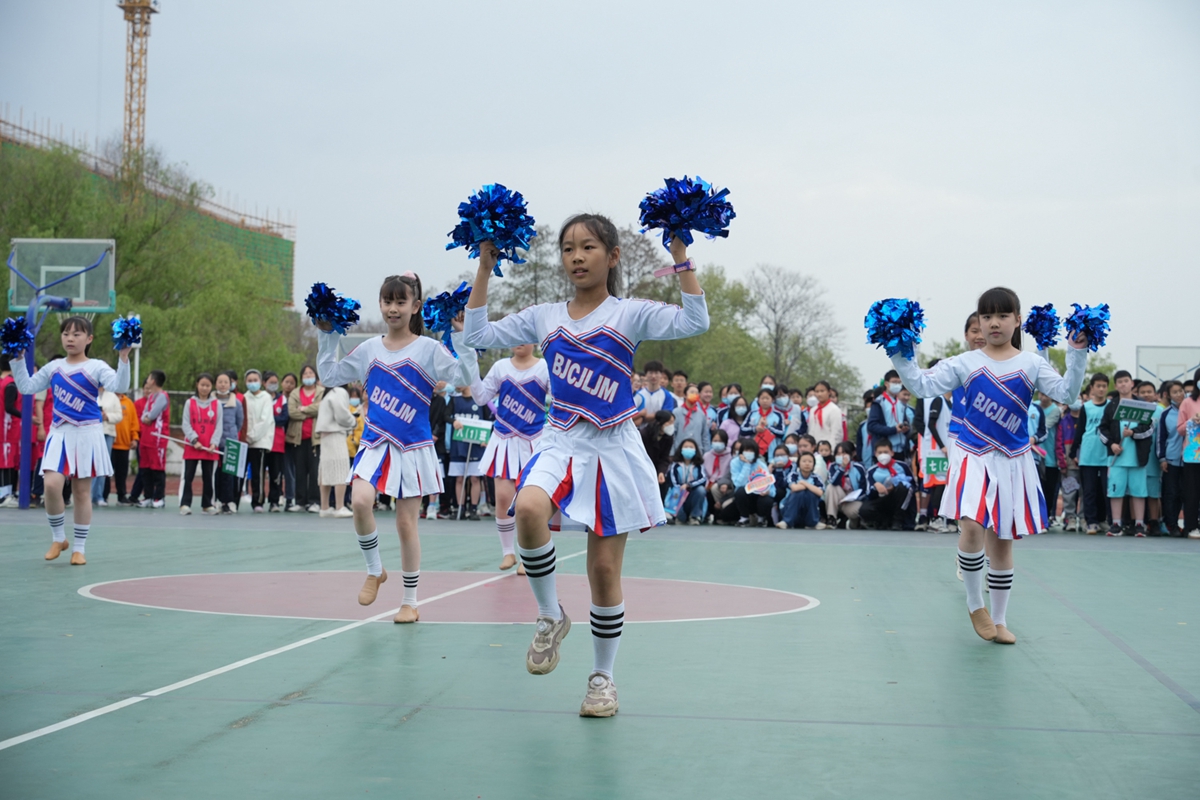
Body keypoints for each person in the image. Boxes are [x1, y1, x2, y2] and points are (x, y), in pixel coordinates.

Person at [464, 215, 709, 718]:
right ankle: (550, 615)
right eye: (568, 248)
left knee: (602, 570)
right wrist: (485, 269)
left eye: (588, 247)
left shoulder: (629, 313)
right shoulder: (544, 315)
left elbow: (695, 321)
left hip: (614, 448)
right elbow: (477, 334)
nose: (576, 257)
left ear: (612, 256)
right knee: (528, 509)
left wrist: (681, 255)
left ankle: (603, 678)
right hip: (561, 440)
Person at [890, 287, 1089, 645]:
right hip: (972, 454)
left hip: (1013, 460)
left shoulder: (1032, 364)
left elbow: (1067, 394)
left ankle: (999, 620)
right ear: (978, 322)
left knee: (1002, 542)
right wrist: (901, 350)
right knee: (971, 527)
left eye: (1002, 315)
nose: (994, 323)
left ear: (1017, 320)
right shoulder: (964, 363)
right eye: (986, 316)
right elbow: (921, 385)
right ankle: (974, 603)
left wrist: (1077, 352)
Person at [317, 272, 478, 624]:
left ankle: (410, 600)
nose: (393, 308)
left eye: (401, 301)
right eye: (388, 301)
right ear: (380, 304)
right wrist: (327, 334)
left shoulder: (429, 349)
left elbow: (465, 377)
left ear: (415, 306)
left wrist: (462, 335)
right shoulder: (370, 349)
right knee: (359, 500)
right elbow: (330, 376)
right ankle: (375, 570)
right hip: (375, 442)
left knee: (407, 524)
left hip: (413, 447)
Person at [10, 317, 131, 563]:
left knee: (81, 492)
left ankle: (79, 548)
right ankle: (58, 538)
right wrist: (18, 357)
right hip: (60, 433)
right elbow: (26, 387)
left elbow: (120, 385)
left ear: (89, 339)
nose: (70, 338)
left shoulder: (97, 366)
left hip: (88, 434)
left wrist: (124, 357)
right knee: (52, 485)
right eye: (66, 333)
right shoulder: (54, 367)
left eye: (77, 334)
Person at [469, 343, 548, 571]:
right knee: (503, 498)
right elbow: (482, 397)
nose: (518, 342)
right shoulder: (500, 366)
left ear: (533, 340)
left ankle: (528, 556)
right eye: (513, 337)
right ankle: (508, 552)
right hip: (504, 440)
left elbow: (562, 397)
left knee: (529, 503)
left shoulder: (544, 367)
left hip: (534, 440)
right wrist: (471, 366)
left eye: (524, 337)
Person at [1069, 374, 1111, 534]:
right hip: (1088, 455)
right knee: (1089, 491)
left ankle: (1103, 519)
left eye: (1104, 386)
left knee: (1105, 491)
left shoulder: (1112, 406)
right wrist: (1074, 452)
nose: (1101, 389)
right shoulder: (1086, 407)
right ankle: (1091, 521)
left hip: (1106, 455)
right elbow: (1080, 430)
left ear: (1107, 387)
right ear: (1092, 388)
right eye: (1098, 386)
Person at [180, 372, 221, 515]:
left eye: (208, 385)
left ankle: (207, 504)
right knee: (188, 476)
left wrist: (214, 444)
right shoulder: (189, 403)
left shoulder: (216, 404)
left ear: (212, 387)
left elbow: (218, 426)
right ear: (197, 385)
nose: (204, 388)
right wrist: (194, 440)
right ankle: (185, 504)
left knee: (208, 477)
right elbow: (185, 424)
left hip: (209, 448)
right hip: (193, 447)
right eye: (202, 385)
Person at [448, 382, 490, 519]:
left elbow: (489, 419)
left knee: (475, 478)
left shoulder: (481, 401)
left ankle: (473, 508)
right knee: (459, 478)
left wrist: (487, 438)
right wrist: (453, 421)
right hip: (458, 444)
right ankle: (460, 508)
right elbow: (445, 415)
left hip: (476, 445)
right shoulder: (455, 400)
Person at [315, 382, 355, 518]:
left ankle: (324, 507)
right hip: (335, 433)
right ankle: (340, 506)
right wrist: (353, 421)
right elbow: (342, 414)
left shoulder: (329, 392)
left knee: (325, 470)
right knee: (341, 469)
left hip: (324, 435)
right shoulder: (339, 391)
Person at [288, 365, 323, 512]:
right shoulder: (295, 393)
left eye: (311, 373)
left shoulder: (322, 392)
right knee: (300, 471)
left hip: (316, 438)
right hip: (298, 438)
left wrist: (303, 408)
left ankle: (314, 501)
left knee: (315, 471)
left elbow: (322, 408)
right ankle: (300, 502)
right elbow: (292, 412)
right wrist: (311, 411)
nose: (308, 376)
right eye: (305, 374)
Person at [859, 440, 916, 530]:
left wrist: (895, 487)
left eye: (886, 452)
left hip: (898, 499)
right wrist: (876, 487)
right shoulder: (871, 471)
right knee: (864, 510)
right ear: (875, 454)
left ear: (892, 453)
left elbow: (913, 486)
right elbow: (868, 493)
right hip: (881, 499)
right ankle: (883, 521)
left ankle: (898, 521)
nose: (883, 455)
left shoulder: (902, 466)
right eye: (880, 452)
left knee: (904, 487)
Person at [132, 370, 169, 508]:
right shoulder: (151, 397)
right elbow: (144, 416)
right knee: (145, 468)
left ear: (153, 380)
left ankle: (159, 497)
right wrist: (146, 417)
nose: (147, 380)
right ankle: (147, 496)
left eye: (148, 378)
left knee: (157, 468)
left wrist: (147, 417)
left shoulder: (162, 397)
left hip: (157, 438)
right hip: (146, 438)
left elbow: (151, 415)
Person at [241, 369, 275, 513]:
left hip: (260, 441)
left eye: (255, 380)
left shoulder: (266, 398)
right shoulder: (244, 398)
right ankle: (234, 500)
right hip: (244, 442)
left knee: (258, 473)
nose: (252, 383)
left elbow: (265, 420)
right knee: (240, 473)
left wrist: (251, 436)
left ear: (261, 382)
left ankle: (258, 501)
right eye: (249, 380)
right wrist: (245, 437)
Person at [213, 372, 244, 514]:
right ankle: (217, 500)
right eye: (220, 382)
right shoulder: (211, 402)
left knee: (230, 474)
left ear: (230, 384)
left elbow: (239, 422)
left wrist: (231, 434)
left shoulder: (236, 403)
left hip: (231, 444)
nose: (223, 384)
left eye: (226, 382)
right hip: (213, 444)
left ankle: (229, 502)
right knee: (216, 473)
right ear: (216, 384)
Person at [1158, 380, 1185, 536]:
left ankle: (1190, 525)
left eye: (1181, 390)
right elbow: (1161, 438)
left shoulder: (1192, 410)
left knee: (1186, 494)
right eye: (1175, 392)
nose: (1179, 394)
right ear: (1168, 395)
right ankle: (1172, 524)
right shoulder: (1166, 414)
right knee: (1171, 493)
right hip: (1172, 460)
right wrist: (1162, 458)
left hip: (1191, 460)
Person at [1176, 368, 1200, 539]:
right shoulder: (1188, 402)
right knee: (1192, 493)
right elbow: (1180, 430)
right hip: (1193, 455)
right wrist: (1192, 421)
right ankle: (1191, 526)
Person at [90, 385, 122, 507]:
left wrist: (106, 416)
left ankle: (99, 496)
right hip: (92, 432)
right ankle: (89, 495)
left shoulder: (113, 396)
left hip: (107, 433)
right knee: (92, 463)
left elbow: (119, 415)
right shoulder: (89, 392)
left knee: (102, 464)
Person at [778, 451, 824, 529]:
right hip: (789, 510)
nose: (807, 464)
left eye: (810, 461)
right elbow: (794, 488)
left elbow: (820, 492)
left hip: (808, 513)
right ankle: (787, 521)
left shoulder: (816, 478)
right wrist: (811, 487)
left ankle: (813, 523)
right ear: (799, 464)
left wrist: (804, 483)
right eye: (804, 461)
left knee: (811, 494)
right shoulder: (793, 475)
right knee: (799, 493)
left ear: (813, 465)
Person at [826, 441, 867, 529]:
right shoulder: (833, 466)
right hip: (839, 498)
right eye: (838, 453)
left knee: (858, 510)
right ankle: (831, 518)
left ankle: (852, 522)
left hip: (853, 500)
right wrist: (842, 468)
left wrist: (853, 498)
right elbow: (833, 481)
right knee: (831, 487)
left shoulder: (859, 468)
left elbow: (864, 489)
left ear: (852, 454)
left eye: (844, 453)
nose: (841, 456)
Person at [666, 438, 707, 524]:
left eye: (691, 447)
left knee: (701, 490)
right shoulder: (675, 465)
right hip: (678, 494)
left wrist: (689, 485)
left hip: (693, 494)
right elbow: (673, 481)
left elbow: (703, 479)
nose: (688, 449)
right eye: (686, 447)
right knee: (681, 518)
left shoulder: (699, 465)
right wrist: (680, 487)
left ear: (696, 449)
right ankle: (677, 516)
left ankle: (695, 517)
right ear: (681, 449)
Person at [274, 372, 298, 511]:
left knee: (289, 471)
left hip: (290, 439)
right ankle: (276, 498)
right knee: (277, 471)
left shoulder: (296, 399)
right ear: (282, 383)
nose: (289, 385)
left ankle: (290, 498)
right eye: (286, 382)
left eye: (292, 383)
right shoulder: (275, 398)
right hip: (275, 440)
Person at [641, 410, 676, 499]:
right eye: (669, 422)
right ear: (661, 422)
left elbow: (664, 457)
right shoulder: (644, 434)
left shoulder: (668, 437)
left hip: (656, 469)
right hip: (643, 469)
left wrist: (661, 472)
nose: (671, 426)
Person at [741, 386, 785, 457]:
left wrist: (768, 427)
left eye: (767, 398)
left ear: (772, 400)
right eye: (762, 398)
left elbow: (781, 432)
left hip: (771, 449)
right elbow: (742, 430)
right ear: (758, 400)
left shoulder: (778, 415)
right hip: (754, 448)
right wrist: (755, 429)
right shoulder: (752, 413)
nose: (765, 401)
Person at [0, 356, 18, 507]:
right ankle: (4, 495)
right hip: (6, 428)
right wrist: (27, 417)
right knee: (5, 462)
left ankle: (6, 493)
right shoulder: (10, 384)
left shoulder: (2, 382)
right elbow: (9, 407)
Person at [632, 360, 674, 425]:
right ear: (646, 375)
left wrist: (645, 416)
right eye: (650, 373)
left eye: (656, 373)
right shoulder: (638, 395)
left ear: (661, 375)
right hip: (638, 431)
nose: (653, 376)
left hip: (657, 430)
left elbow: (666, 415)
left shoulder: (667, 395)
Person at [807, 381, 844, 449]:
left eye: (822, 391)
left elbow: (836, 433)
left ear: (829, 392)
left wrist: (832, 449)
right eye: (817, 391)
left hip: (828, 449)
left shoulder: (834, 409)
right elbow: (811, 430)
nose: (819, 394)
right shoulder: (813, 410)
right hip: (815, 448)